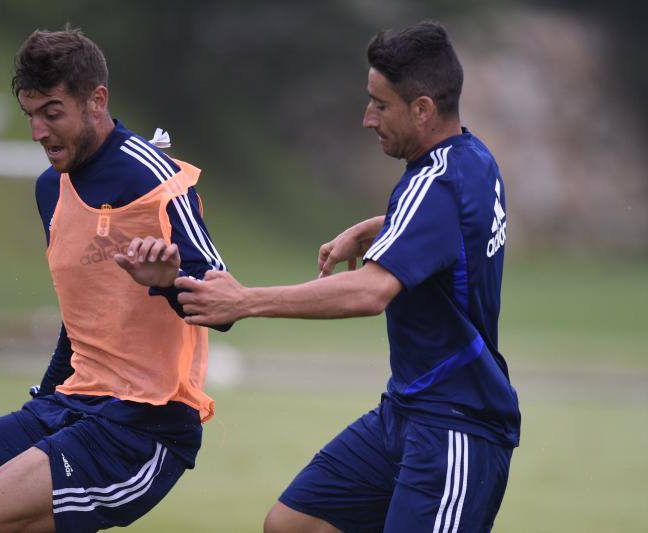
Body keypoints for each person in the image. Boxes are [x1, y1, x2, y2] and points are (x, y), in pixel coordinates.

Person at [172, 21, 521, 533]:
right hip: (405, 412)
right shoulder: (473, 158)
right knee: (294, 523)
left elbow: (371, 290)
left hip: (457, 426)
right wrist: (376, 227)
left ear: (422, 108)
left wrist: (244, 300)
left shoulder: (437, 183)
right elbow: (454, 231)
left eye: (381, 104)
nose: (367, 117)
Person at [0, 26, 229, 533]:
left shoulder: (153, 175)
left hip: (142, 426)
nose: (38, 132)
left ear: (96, 101)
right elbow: (82, 317)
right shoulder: (51, 189)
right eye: (30, 115)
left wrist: (168, 279)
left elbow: (223, 305)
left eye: (52, 113)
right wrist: (47, 397)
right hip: (67, 404)